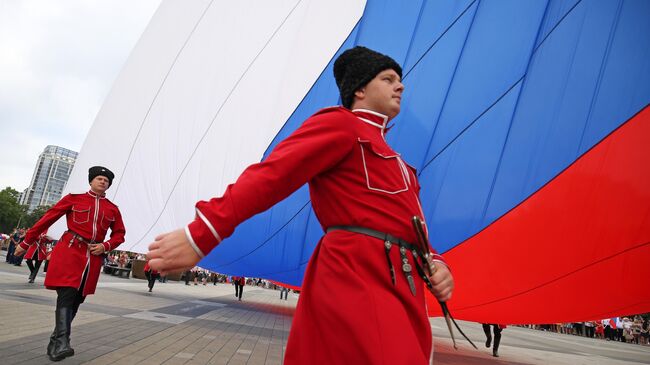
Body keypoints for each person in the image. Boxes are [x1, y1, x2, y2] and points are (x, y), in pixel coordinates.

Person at [146, 46, 454, 364]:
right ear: (360, 89)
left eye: (399, 80)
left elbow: (411, 224)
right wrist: (203, 232)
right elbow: (271, 176)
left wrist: (436, 262)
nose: (400, 86)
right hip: (356, 277)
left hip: (403, 285)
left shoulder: (402, 164)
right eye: (388, 79)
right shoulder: (341, 124)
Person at [14, 166, 125, 361]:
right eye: (99, 178)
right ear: (91, 181)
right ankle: (63, 342)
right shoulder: (73, 199)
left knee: (77, 299)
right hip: (70, 251)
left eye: (106, 180)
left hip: (93, 259)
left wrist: (106, 246)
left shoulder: (113, 209)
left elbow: (119, 234)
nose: (103, 182)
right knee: (67, 293)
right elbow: (46, 219)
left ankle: (55, 342)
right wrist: (26, 242)